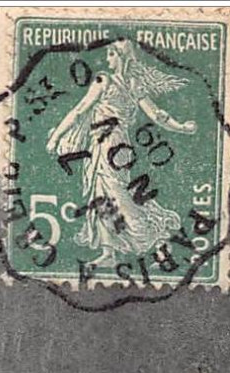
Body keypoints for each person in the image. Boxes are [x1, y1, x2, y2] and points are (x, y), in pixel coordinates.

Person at [45, 40, 199, 267]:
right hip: (117, 147)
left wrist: (55, 137)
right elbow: (158, 115)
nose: (107, 60)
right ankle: (109, 252)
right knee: (102, 195)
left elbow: (79, 111)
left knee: (119, 198)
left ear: (122, 56)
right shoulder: (134, 84)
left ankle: (158, 243)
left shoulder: (103, 80)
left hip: (108, 146)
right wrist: (181, 127)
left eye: (111, 55)